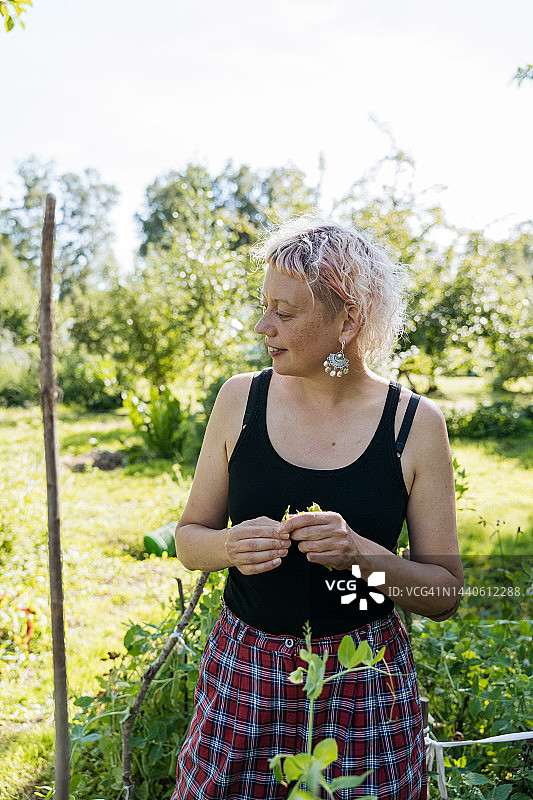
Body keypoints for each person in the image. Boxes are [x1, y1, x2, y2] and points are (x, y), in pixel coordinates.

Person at [170, 216, 464, 800]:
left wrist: (361, 556)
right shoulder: (240, 399)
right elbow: (188, 539)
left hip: (363, 679)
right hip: (245, 671)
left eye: (285, 312)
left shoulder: (414, 424)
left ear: (348, 321)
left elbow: (444, 594)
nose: (264, 326)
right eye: (265, 307)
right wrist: (228, 546)